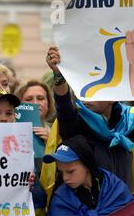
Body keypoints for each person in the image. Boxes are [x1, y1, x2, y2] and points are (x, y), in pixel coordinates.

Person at [46, 46, 134, 189]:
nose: (87, 97)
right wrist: (58, 75)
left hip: (124, 205)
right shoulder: (78, 124)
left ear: (114, 97)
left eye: (95, 91)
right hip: (90, 208)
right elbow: (64, 107)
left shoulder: (129, 122)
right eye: (85, 90)